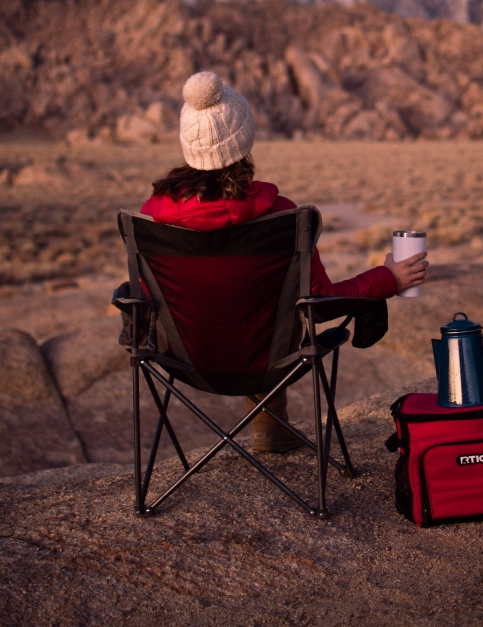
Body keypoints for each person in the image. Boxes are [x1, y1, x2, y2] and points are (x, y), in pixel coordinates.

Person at [141, 71, 428, 452]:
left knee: (235, 307)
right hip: (270, 364)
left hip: (184, 364)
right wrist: (387, 279)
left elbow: (149, 301)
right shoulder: (283, 220)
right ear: (244, 140)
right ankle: (269, 427)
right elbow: (320, 301)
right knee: (266, 316)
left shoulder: (153, 225)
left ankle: (271, 429)